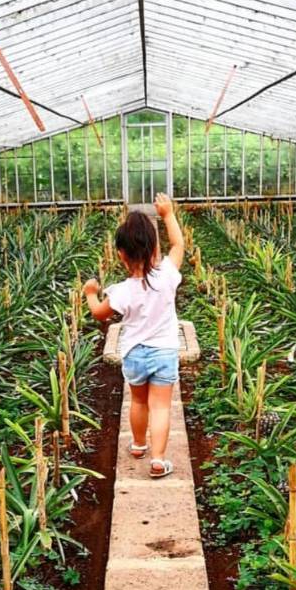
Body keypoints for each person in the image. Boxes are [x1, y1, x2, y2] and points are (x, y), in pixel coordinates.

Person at [82, 193, 184, 478]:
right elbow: (178, 245)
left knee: (138, 402)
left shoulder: (121, 291)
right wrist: (167, 215)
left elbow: (99, 313)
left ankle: (139, 445)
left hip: (134, 354)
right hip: (164, 352)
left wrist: (90, 293)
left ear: (120, 255)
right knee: (161, 406)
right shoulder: (166, 275)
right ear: (155, 251)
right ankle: (159, 459)